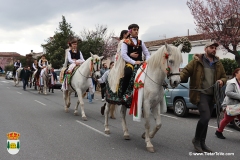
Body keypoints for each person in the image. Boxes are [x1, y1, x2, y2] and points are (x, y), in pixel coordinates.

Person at [180, 42, 227, 153]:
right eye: (211, 47)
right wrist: (177, 79)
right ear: (206, 49)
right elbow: (185, 71)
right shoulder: (197, 61)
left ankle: (202, 142)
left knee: (205, 120)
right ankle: (196, 140)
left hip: (212, 95)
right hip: (200, 94)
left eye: (215, 48)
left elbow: (224, 77)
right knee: (205, 117)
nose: (214, 49)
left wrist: (222, 81)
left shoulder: (218, 63)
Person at [121, 24, 150, 96]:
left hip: (141, 63)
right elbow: (123, 54)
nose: (136, 31)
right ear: (130, 31)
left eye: (137, 30)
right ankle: (123, 93)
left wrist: (147, 61)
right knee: (128, 73)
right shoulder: (125, 42)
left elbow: (147, 53)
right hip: (130, 63)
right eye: (134, 30)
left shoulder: (141, 42)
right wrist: (134, 62)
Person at [215, 68, 240, 139]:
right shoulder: (231, 82)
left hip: (238, 105)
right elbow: (228, 93)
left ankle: (219, 131)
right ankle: (219, 131)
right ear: (236, 73)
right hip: (232, 105)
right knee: (227, 119)